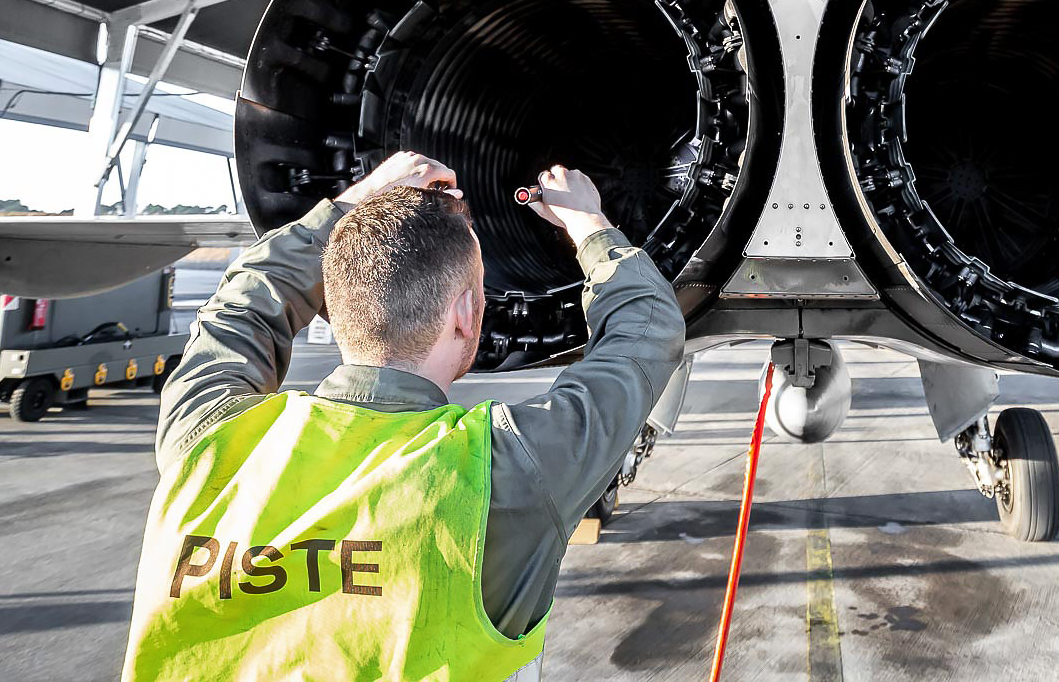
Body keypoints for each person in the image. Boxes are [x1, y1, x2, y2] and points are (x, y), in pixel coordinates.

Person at [121, 153, 685, 681]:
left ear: (334, 306)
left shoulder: (207, 434)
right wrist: (587, 224)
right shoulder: (509, 470)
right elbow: (647, 328)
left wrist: (355, 202)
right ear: (466, 313)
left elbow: (242, 303)